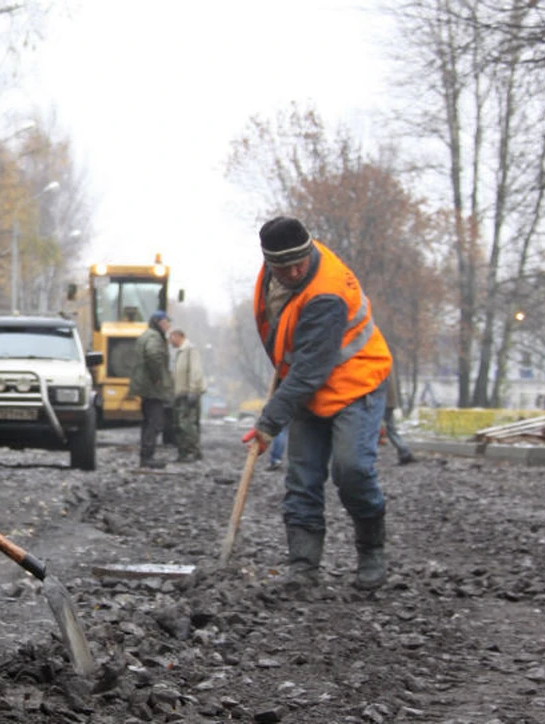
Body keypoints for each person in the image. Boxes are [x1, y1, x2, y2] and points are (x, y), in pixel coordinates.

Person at [242, 216, 393, 590]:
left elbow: (311, 371)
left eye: (300, 263)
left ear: (310, 249)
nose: (293, 271)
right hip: (308, 387)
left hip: (355, 383)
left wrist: (269, 422)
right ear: (268, 263)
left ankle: (372, 551)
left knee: (352, 470)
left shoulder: (326, 292)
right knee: (302, 478)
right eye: (283, 266)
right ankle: (303, 567)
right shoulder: (271, 278)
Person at [129, 309, 174, 468]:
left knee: (148, 421)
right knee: (155, 422)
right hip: (152, 387)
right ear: (159, 323)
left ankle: (145, 455)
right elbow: (153, 355)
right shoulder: (154, 337)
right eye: (166, 322)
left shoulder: (146, 335)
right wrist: (157, 377)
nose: (168, 326)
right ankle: (148, 456)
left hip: (145, 386)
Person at [169, 327, 206, 462]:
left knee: (187, 424)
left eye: (171, 337)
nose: (170, 341)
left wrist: (193, 390)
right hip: (181, 394)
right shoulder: (180, 352)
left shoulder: (190, 350)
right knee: (180, 424)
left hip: (188, 393)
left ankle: (192, 451)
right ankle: (183, 452)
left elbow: (196, 371)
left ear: (178, 336)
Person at [383, 369, 416, 465]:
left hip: (383, 401)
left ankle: (404, 451)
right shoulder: (386, 361)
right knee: (391, 429)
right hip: (388, 401)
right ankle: (404, 452)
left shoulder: (380, 362)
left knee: (390, 429)